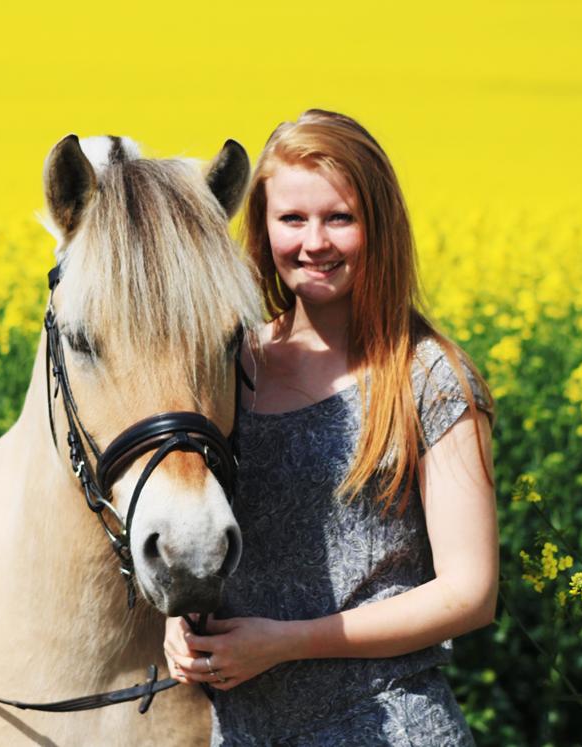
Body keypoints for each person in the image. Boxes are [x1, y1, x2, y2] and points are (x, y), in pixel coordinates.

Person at [163, 109, 498, 745]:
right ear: (262, 229)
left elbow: (471, 593)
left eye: (339, 218)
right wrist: (178, 623)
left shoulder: (427, 377)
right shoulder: (226, 366)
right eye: (292, 218)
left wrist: (285, 643)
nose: (313, 242)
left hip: (389, 727)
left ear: (379, 226)